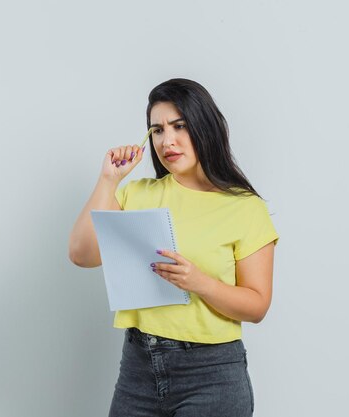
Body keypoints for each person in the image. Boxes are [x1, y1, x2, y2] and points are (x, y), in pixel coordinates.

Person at [68, 78, 279, 416]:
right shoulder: (138, 194)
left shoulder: (244, 207)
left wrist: (200, 283)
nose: (168, 141)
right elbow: (82, 254)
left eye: (179, 126)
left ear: (204, 127)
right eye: (157, 130)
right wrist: (109, 180)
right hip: (139, 368)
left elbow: (257, 306)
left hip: (211, 376)